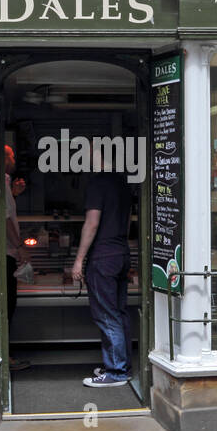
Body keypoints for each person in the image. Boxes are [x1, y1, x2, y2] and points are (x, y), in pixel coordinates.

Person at [72, 152, 134, 387]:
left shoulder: (97, 183)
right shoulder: (122, 183)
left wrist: (79, 260)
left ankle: (116, 372)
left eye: (88, 153)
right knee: (119, 314)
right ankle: (121, 365)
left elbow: (92, 222)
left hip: (103, 258)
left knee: (107, 316)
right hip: (121, 254)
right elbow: (127, 221)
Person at [4, 146, 31, 371]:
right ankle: (6, 356)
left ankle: (6, 353)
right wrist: (20, 246)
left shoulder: (5, 184)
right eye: (11, 155)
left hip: (9, 253)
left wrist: (13, 194)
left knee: (9, 305)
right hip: (7, 254)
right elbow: (4, 221)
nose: (14, 159)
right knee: (7, 305)